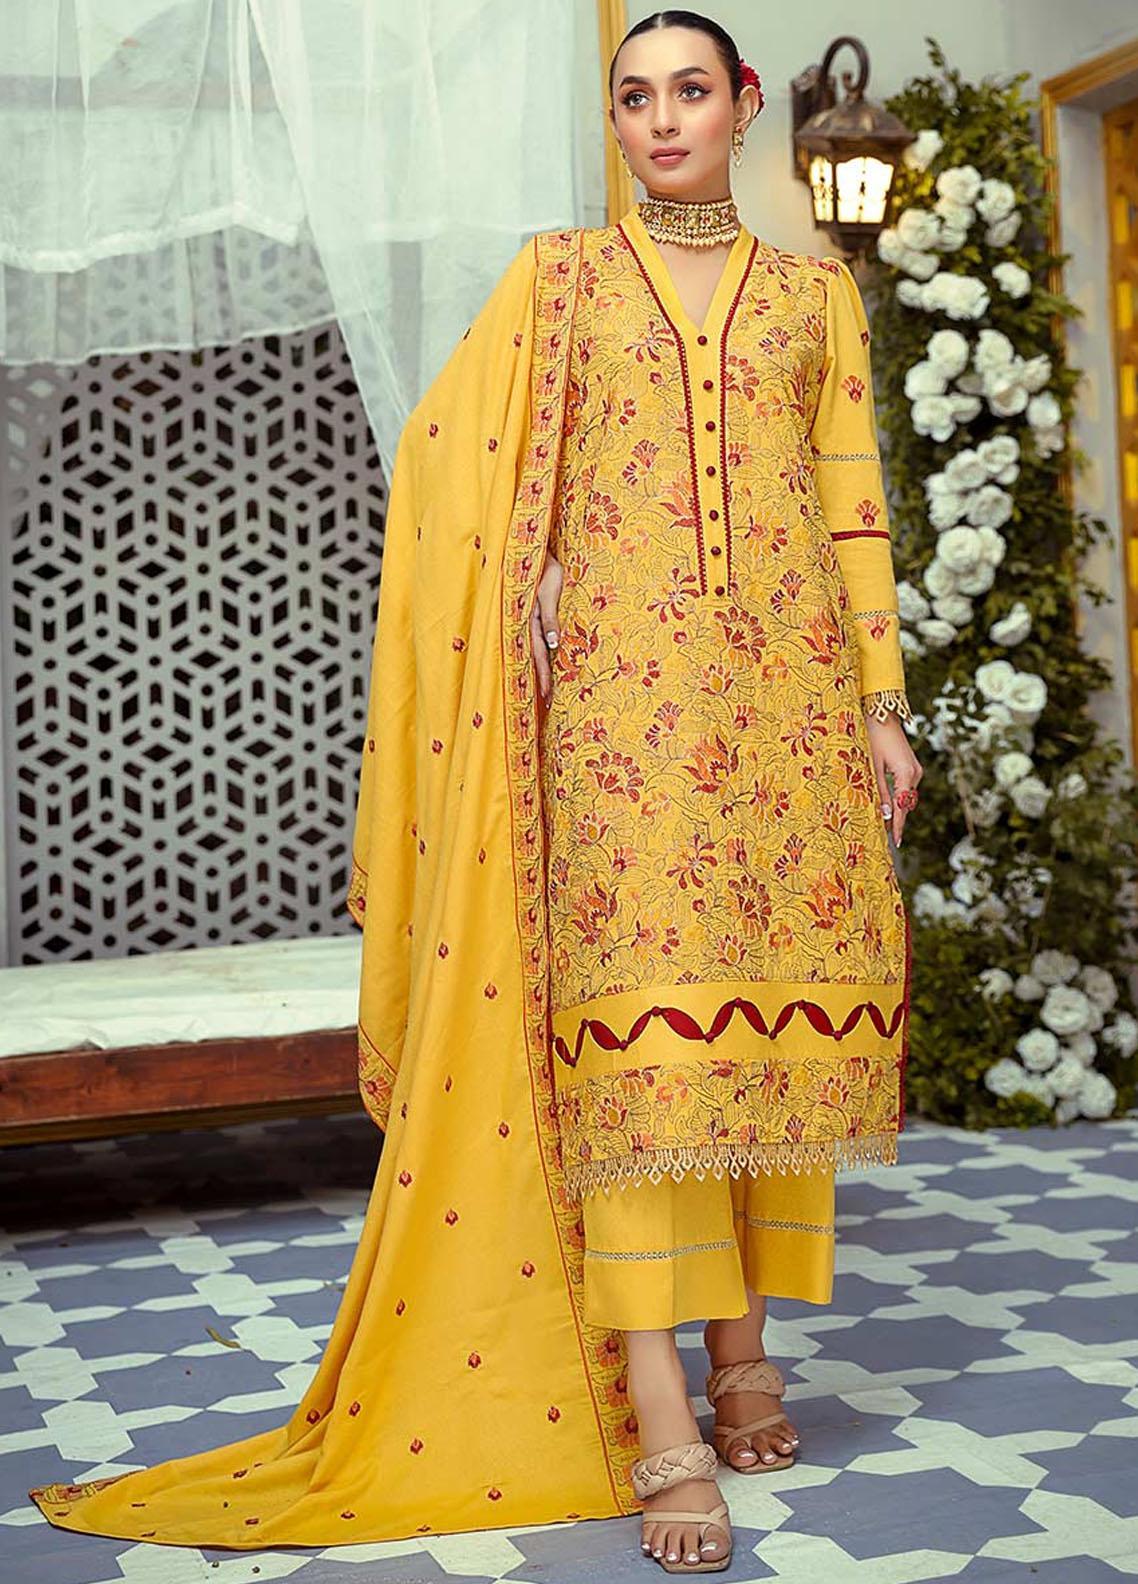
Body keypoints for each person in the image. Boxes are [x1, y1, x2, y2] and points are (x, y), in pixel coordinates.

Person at [28, 9, 920, 1574]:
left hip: (786, 722)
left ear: (740, 105)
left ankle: (745, 1355)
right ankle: (663, 1417)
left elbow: (850, 509)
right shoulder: (556, 283)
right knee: (642, 1061)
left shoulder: (812, 297)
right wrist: (525, 558)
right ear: (615, 119)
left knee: (764, 1047)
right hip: (618, 733)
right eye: (633, 97)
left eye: (688, 92)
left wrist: (880, 703)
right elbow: (453, 457)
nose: (661, 121)